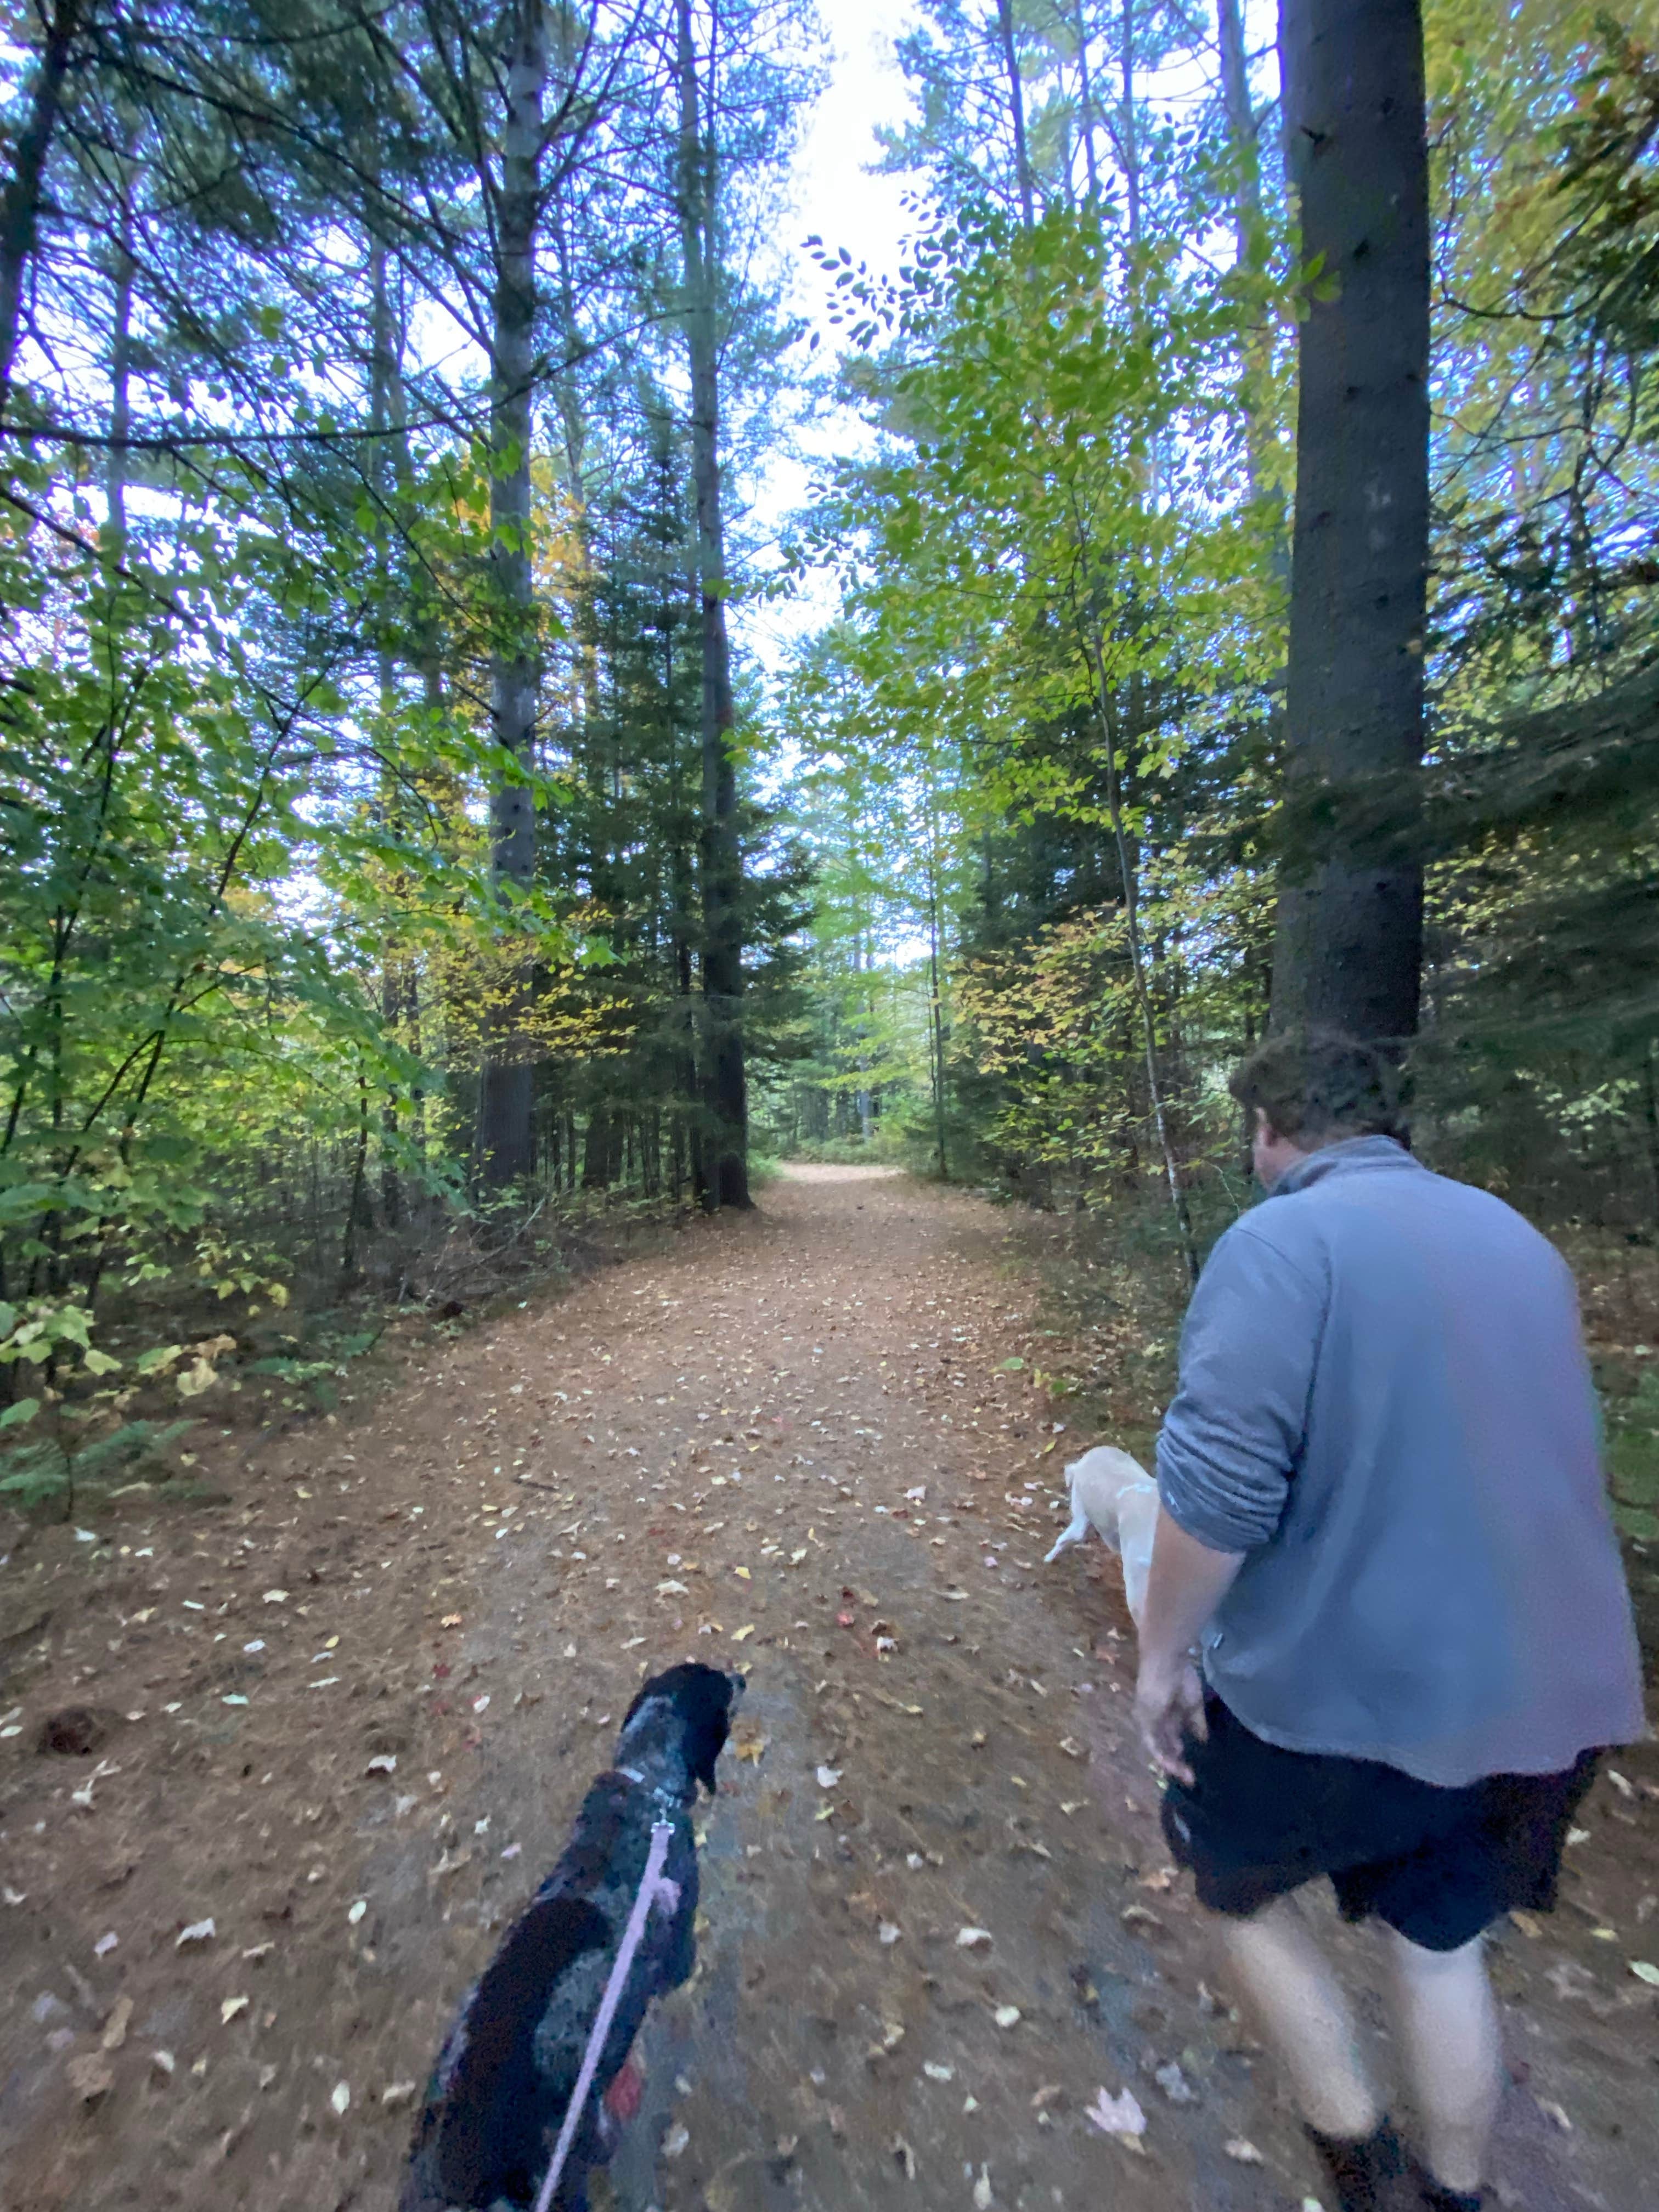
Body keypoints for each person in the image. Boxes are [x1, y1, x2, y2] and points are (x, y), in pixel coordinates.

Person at [1132, 1031, 1645, 2212]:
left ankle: (1361, 2167)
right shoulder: (1515, 1238)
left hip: (1352, 1701)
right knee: (1442, 1941)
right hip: (1547, 1697)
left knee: (1236, 1887)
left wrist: (1164, 1657)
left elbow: (1216, 1500)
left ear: (1271, 1130)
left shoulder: (1281, 1242)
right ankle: (1457, 2195)